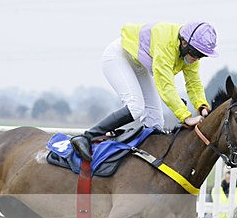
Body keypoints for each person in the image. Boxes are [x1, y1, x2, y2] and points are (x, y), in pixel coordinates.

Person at [71, 21, 219, 162]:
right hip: (119, 56)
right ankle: (87, 136)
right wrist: (185, 117)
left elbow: (194, 83)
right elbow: (165, 86)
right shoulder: (166, 43)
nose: (196, 59)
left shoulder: (189, 52)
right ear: (184, 42)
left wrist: (202, 107)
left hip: (139, 64)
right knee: (136, 107)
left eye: (201, 55)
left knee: (156, 123)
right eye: (195, 53)